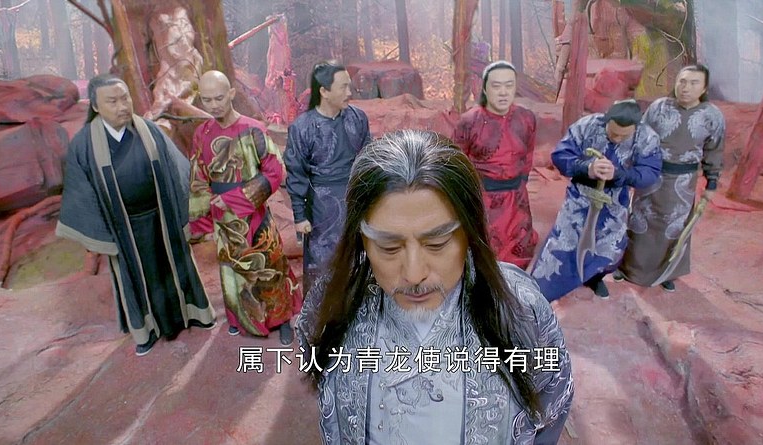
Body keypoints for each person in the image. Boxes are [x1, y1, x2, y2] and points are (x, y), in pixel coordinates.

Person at [296, 130, 573, 444]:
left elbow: (553, 400)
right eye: (389, 248)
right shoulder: (332, 303)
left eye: (437, 243)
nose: (414, 274)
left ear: (469, 233)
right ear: (361, 239)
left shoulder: (522, 308)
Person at [56, 74, 215, 357]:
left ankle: (192, 315)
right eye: (112, 101)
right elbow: (81, 192)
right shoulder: (85, 144)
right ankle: (146, 332)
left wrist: (187, 208)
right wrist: (101, 234)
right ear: (95, 106)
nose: (122, 106)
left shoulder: (148, 130)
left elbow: (177, 169)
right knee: (137, 279)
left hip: (162, 217)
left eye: (125, 98)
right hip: (124, 228)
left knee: (176, 267)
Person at [188, 70, 302, 344]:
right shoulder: (202, 134)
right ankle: (240, 319)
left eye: (219, 98)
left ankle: (282, 320)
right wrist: (202, 223)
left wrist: (234, 199)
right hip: (223, 219)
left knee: (271, 263)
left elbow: (274, 171)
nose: (214, 105)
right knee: (232, 270)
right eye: (207, 100)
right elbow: (198, 178)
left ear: (231, 94)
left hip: (256, 214)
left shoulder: (254, 129)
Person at [530, 100, 662, 301]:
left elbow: (650, 172)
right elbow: (560, 155)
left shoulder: (646, 137)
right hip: (580, 198)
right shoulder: (587, 126)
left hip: (614, 203)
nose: (617, 139)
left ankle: (594, 278)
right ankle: (540, 293)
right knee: (562, 245)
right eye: (613, 133)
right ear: (606, 119)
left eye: (623, 136)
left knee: (610, 250)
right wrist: (587, 168)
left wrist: (619, 174)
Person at [616, 65, 725, 292]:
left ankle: (667, 272)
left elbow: (714, 150)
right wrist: (628, 169)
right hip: (651, 174)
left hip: (683, 180)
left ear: (704, 88)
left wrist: (712, 181)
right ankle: (628, 267)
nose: (686, 88)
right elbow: (640, 138)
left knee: (674, 225)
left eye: (694, 83)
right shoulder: (658, 107)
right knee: (640, 221)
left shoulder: (712, 116)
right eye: (682, 81)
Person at [283, 60, 371, 295]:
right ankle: (323, 314)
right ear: (324, 91)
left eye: (349, 86)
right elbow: (297, 173)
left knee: (359, 261)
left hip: (355, 199)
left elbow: (368, 158)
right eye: (343, 87)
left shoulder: (358, 118)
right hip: (321, 208)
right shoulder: (302, 127)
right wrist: (300, 216)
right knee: (324, 266)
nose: (349, 92)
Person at [453, 60, 539, 269]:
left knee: (520, 256)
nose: (503, 92)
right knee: (484, 257)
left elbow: (527, 155)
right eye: (496, 86)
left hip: (517, 200)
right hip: (484, 200)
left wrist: (521, 183)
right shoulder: (469, 121)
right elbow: (456, 161)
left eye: (509, 85)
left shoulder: (526, 118)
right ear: (484, 88)